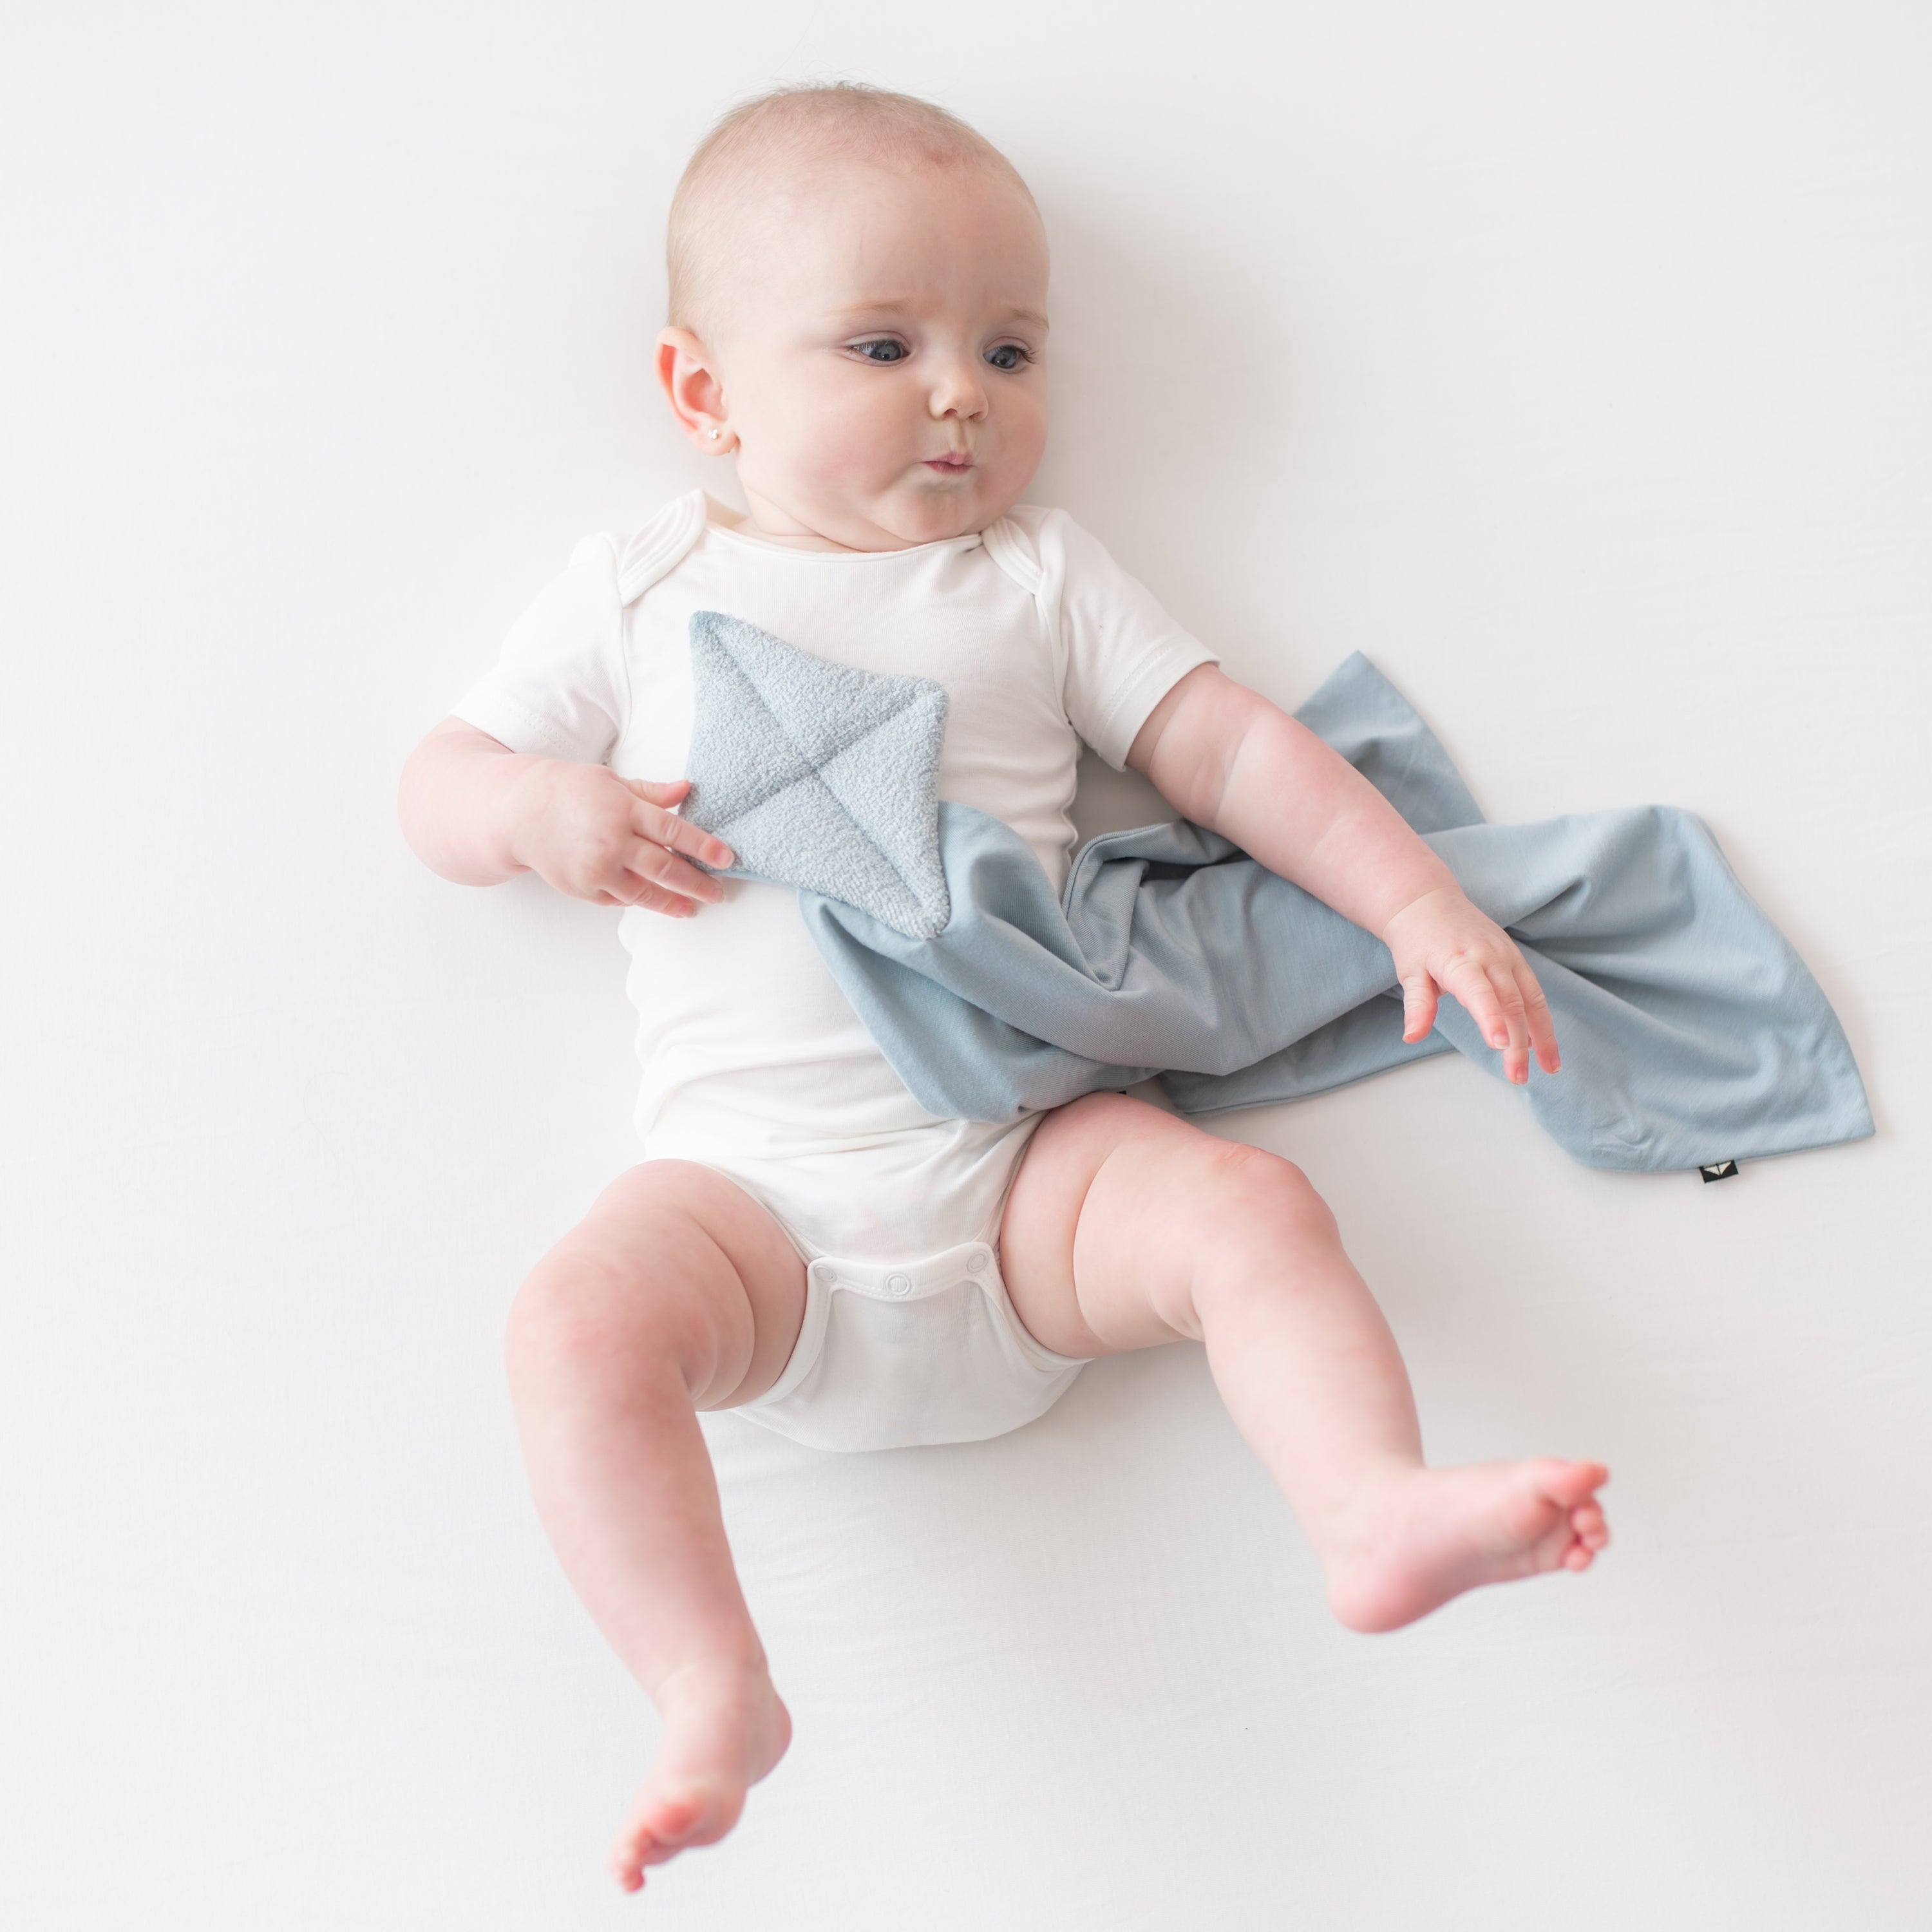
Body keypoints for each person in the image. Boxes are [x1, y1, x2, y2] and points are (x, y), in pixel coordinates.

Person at [398, 81, 1608, 1895]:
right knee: (572, 1326)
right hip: (757, 1226)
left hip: (1023, 1181)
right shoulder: (640, 590)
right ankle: (707, 1677)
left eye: (1012, 345)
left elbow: (1237, 758)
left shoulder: (1038, 580)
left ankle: (1367, 1507)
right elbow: (436, 785)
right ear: (705, 392)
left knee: (1251, 1211)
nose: (963, 390)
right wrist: (530, 811)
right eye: (884, 343)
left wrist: (1415, 899)